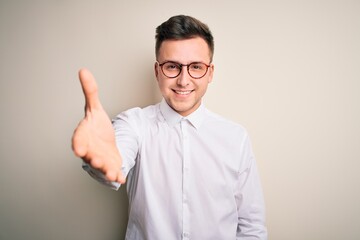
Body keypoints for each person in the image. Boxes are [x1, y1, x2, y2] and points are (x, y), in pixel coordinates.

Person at [72, 15, 267, 240]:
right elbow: (113, 166)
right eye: (172, 66)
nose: (183, 80)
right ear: (157, 71)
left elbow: (252, 226)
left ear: (210, 72)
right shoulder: (135, 124)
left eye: (196, 67)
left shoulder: (236, 137)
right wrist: (102, 161)